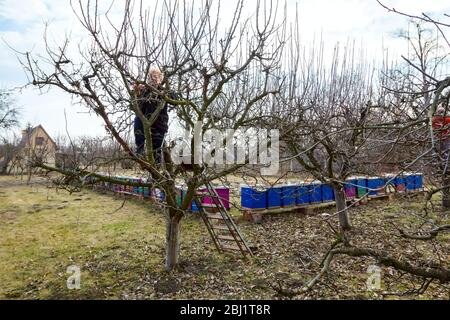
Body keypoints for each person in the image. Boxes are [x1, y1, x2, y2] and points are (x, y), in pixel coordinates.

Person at [133, 68, 177, 164]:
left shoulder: (164, 91)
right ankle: (140, 150)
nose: (153, 79)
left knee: (156, 152)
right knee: (137, 119)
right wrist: (137, 94)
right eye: (151, 77)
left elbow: (175, 101)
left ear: (160, 79)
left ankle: (155, 174)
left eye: (156, 77)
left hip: (159, 126)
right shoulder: (145, 92)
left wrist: (165, 93)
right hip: (146, 123)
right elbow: (138, 109)